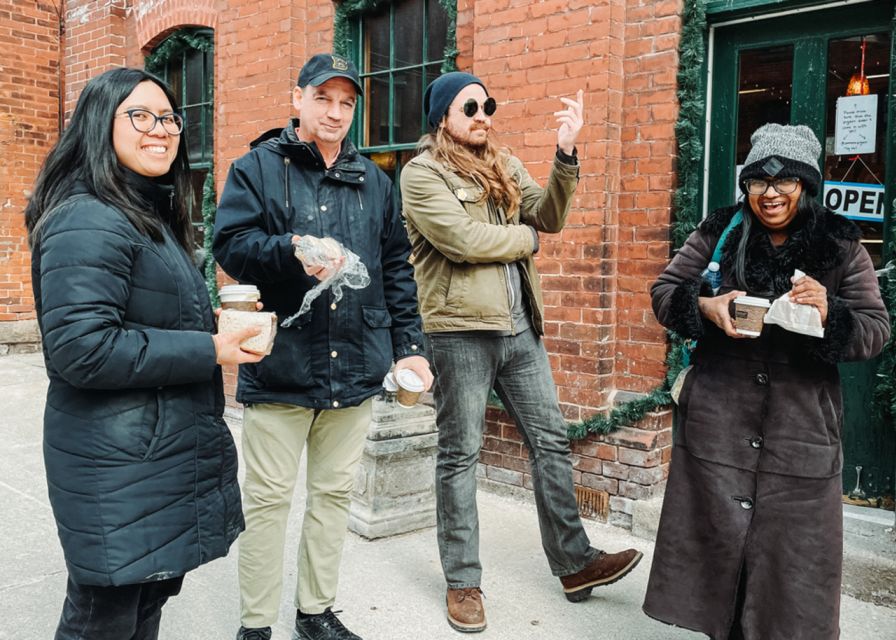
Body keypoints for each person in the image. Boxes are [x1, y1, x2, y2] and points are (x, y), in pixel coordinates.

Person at [24, 67, 264, 640]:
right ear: (98, 125)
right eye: (140, 115)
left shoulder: (142, 214)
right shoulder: (87, 218)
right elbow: (83, 350)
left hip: (148, 461)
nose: (160, 129)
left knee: (141, 609)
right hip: (117, 467)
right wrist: (211, 346)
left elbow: (146, 318)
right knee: (102, 622)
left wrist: (215, 327)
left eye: (170, 118)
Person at [399, 71, 643, 634]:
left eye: (487, 105)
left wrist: (565, 154)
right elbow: (461, 240)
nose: (483, 115)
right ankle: (462, 582)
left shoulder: (504, 163)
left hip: (519, 331)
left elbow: (549, 214)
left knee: (551, 441)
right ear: (442, 118)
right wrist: (526, 240)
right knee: (460, 454)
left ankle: (575, 563)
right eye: (469, 108)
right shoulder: (421, 173)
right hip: (459, 332)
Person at [213, 53, 432, 640]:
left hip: (355, 365)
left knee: (333, 496)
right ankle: (255, 627)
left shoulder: (376, 182)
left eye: (346, 103)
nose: (335, 113)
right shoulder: (256, 169)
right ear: (298, 99)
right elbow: (230, 247)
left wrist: (410, 346)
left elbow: (395, 269)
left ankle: (316, 612)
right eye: (323, 98)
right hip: (280, 363)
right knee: (267, 502)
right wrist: (291, 250)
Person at [644, 123, 890, 639]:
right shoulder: (721, 231)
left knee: (790, 572)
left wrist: (830, 312)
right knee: (718, 562)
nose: (771, 194)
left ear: (806, 185)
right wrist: (705, 307)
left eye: (786, 183)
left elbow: (874, 331)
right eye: (758, 183)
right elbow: (666, 291)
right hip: (719, 424)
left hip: (799, 431)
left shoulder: (840, 244)